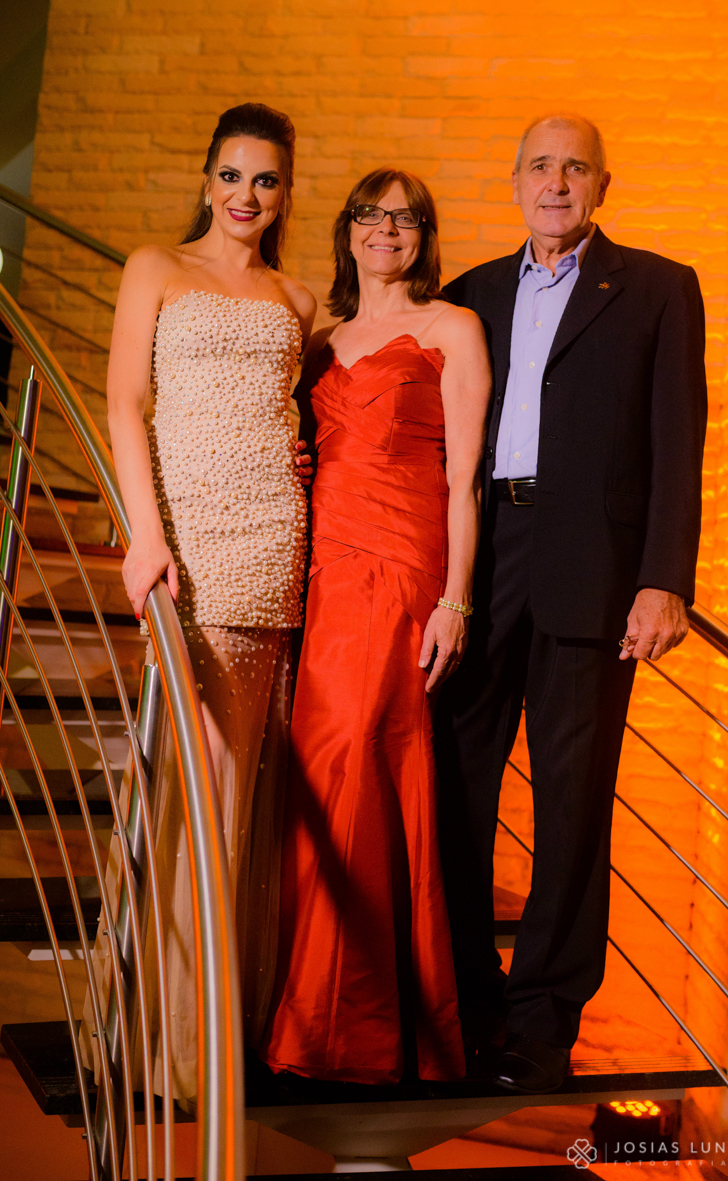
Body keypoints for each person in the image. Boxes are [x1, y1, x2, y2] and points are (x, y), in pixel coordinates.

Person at [435, 114, 707, 1093]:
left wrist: (663, 576)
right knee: (451, 786)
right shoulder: (468, 293)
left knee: (573, 798)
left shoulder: (658, 288)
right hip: (483, 555)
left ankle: (540, 1025)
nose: (556, 182)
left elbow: (677, 439)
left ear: (601, 185)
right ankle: (461, 1001)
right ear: (514, 182)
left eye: (575, 167)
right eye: (540, 166)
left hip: (593, 567)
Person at [82, 102, 316, 1105]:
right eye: (231, 175)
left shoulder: (298, 296)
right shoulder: (155, 267)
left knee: (233, 790)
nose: (245, 196)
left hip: (272, 538)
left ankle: (212, 1033)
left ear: (285, 192)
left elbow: (300, 415)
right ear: (206, 177)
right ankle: (158, 1029)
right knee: (184, 777)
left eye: (265, 180)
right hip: (186, 543)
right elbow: (122, 402)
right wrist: (145, 533)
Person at [261, 168, 491, 1084]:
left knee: (364, 754)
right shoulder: (319, 341)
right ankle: (309, 1008)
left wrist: (456, 599)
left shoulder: (452, 329)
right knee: (321, 770)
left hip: (402, 569)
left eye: (405, 218)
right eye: (371, 214)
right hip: (323, 572)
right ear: (348, 229)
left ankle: (353, 1028)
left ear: (423, 235)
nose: (386, 230)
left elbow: (465, 478)